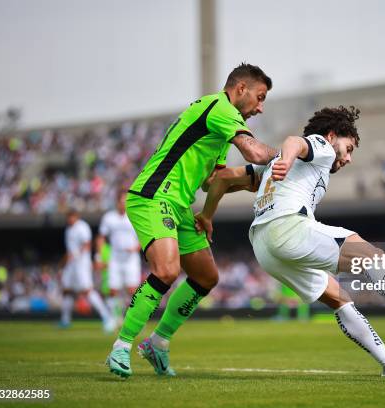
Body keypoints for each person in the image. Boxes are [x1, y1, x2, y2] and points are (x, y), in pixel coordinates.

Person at [196, 106, 385, 376]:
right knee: (369, 253)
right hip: (287, 227)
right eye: (349, 148)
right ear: (331, 137)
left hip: (264, 247)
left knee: (338, 298)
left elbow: (222, 180)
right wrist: (287, 158)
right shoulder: (321, 146)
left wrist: (207, 213)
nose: (349, 158)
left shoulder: (281, 166)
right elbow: (294, 142)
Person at [106, 63, 278, 378]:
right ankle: (121, 345)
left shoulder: (222, 123)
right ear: (240, 89)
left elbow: (214, 181)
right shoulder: (220, 108)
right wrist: (289, 160)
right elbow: (254, 152)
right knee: (167, 270)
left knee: (206, 277)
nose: (261, 108)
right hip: (153, 196)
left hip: (180, 205)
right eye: (260, 97)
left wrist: (212, 211)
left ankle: (157, 343)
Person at [60, 210, 114, 331]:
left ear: (76, 216)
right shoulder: (69, 229)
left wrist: (77, 255)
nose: (70, 219)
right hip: (71, 264)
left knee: (87, 290)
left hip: (81, 263)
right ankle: (65, 320)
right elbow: (70, 250)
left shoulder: (82, 227)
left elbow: (87, 244)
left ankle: (107, 317)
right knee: (66, 290)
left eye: (72, 216)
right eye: (68, 217)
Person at [95, 191, 141, 325]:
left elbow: (143, 237)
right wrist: (98, 257)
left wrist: (136, 248)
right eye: (122, 201)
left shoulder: (134, 216)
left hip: (131, 258)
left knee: (133, 290)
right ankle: (115, 318)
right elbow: (101, 238)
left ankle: (134, 320)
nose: (124, 204)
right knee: (113, 290)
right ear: (117, 202)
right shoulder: (109, 218)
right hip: (115, 257)